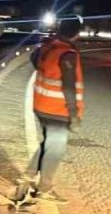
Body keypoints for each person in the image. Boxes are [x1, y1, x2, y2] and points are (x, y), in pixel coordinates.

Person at [25, 19, 84, 203]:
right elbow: (68, 87)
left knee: (48, 143)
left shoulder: (48, 46)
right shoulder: (68, 53)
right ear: (77, 33)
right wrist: (74, 115)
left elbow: (33, 58)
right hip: (58, 109)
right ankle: (44, 190)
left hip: (41, 105)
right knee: (55, 150)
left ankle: (28, 176)